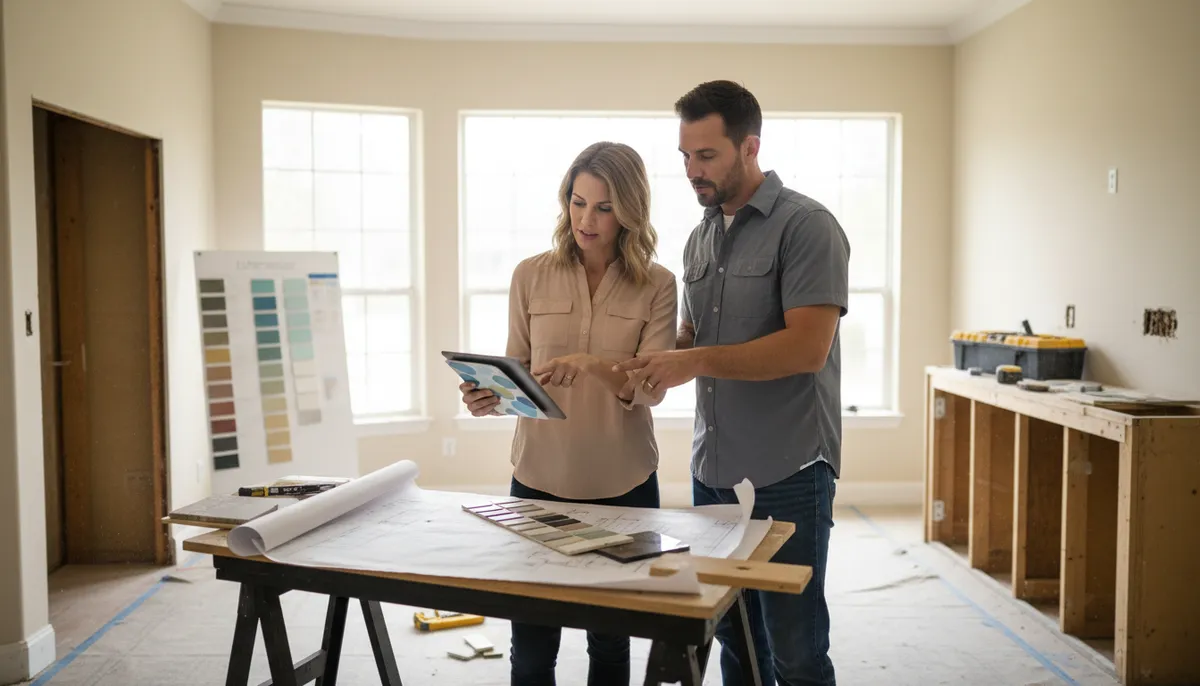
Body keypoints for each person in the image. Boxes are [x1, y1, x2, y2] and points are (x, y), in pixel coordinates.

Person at [614, 81, 850, 686]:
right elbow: (696, 337)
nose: (692, 171)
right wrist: (648, 360)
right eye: (685, 157)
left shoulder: (808, 227)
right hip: (713, 471)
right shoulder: (701, 237)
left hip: (789, 471)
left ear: (750, 147)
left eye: (707, 155)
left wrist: (692, 363)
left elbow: (806, 348)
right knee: (736, 643)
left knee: (795, 649)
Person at [458, 141, 678, 686]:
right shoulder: (529, 275)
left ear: (629, 210)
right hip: (537, 481)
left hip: (624, 485)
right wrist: (484, 397)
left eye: (604, 208)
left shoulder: (658, 284)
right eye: (578, 203)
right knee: (531, 650)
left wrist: (595, 366)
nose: (587, 219)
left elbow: (652, 390)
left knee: (609, 645)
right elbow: (514, 370)